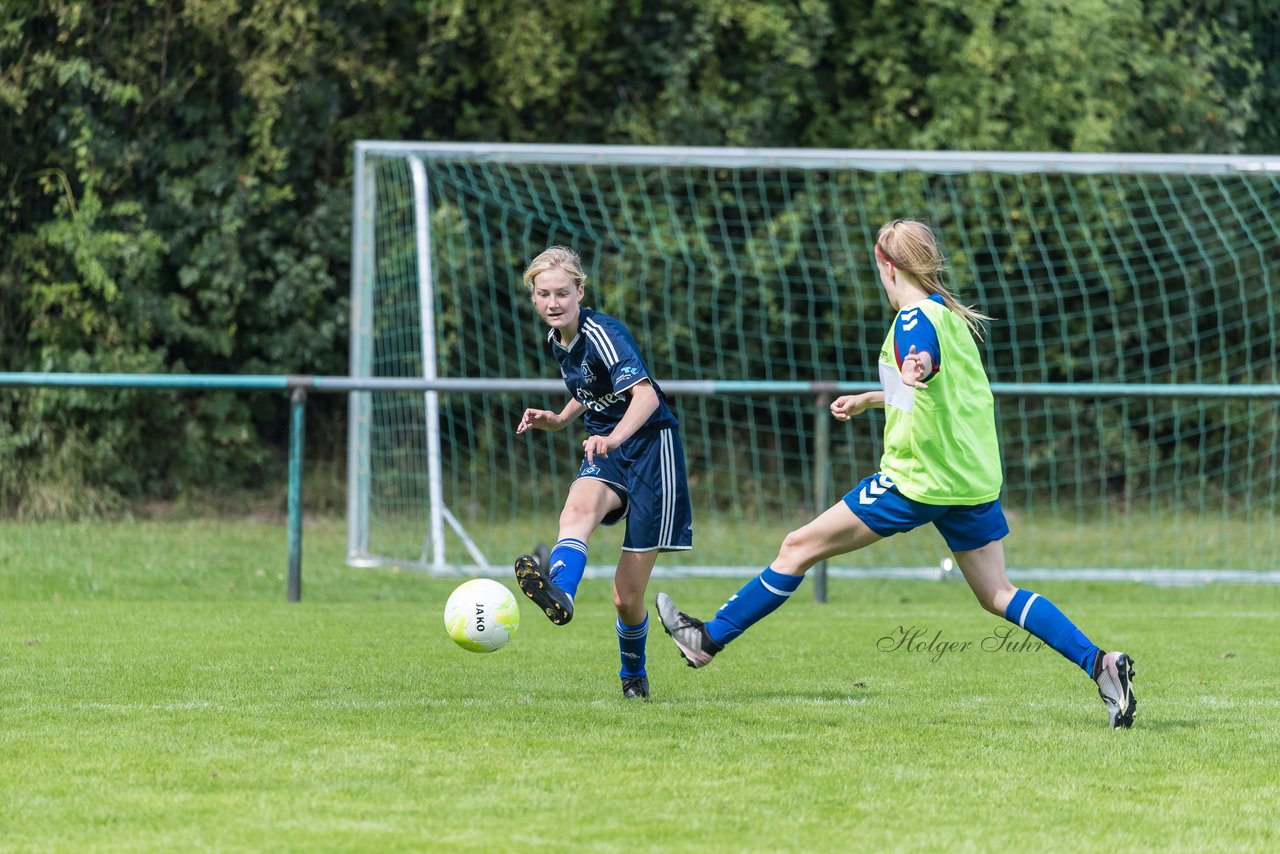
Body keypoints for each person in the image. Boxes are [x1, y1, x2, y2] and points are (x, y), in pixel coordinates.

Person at [655, 219, 1137, 729]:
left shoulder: (912, 320)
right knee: (998, 593)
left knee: (797, 547)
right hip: (969, 481)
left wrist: (915, 367)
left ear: (887, 265)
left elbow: (920, 360)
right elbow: (928, 386)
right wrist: (873, 396)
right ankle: (1101, 664)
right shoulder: (949, 315)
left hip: (916, 482)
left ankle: (707, 640)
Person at [513, 245, 693, 701]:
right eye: (543, 294)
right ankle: (563, 595)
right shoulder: (558, 341)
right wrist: (559, 419)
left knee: (626, 598)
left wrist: (613, 438)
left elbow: (647, 397)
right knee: (575, 513)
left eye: (562, 294)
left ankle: (633, 676)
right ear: (533, 298)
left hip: (652, 450)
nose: (553, 303)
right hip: (606, 449)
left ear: (579, 292)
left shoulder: (603, 332)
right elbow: (592, 390)